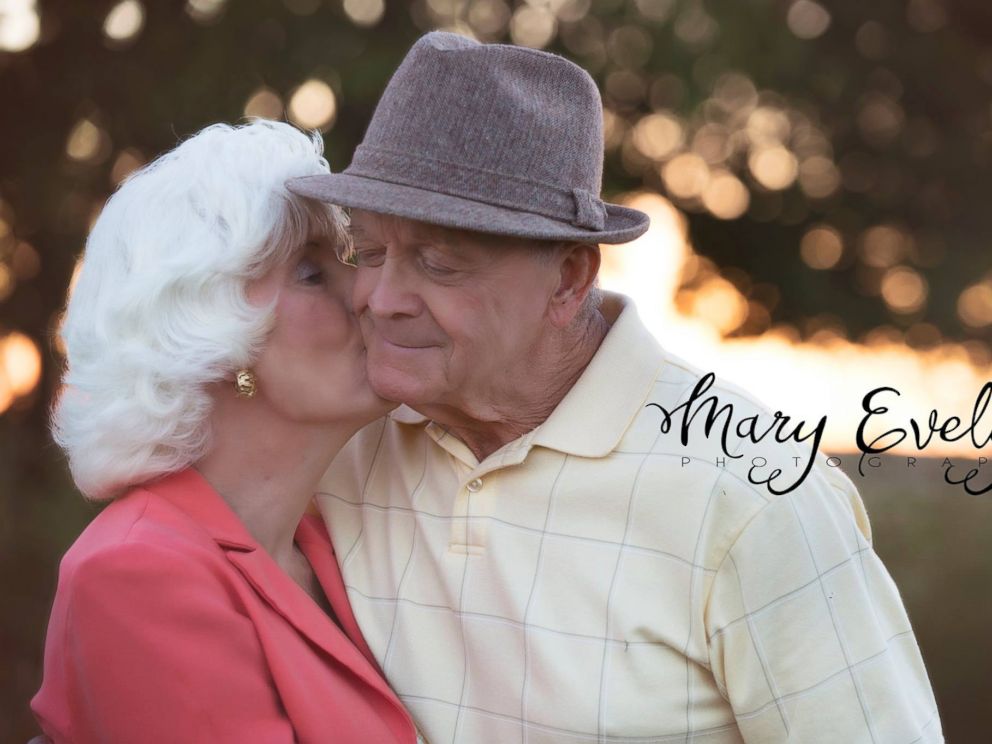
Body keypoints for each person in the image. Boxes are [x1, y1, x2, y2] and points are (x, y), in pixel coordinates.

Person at [286, 32, 944, 743]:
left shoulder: (754, 496)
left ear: (568, 279)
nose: (382, 299)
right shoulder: (337, 444)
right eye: (370, 252)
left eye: (439, 264)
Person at [32, 120, 418, 743]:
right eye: (312, 273)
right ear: (215, 337)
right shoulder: (137, 574)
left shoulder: (336, 534)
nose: (370, 293)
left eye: (348, 257)